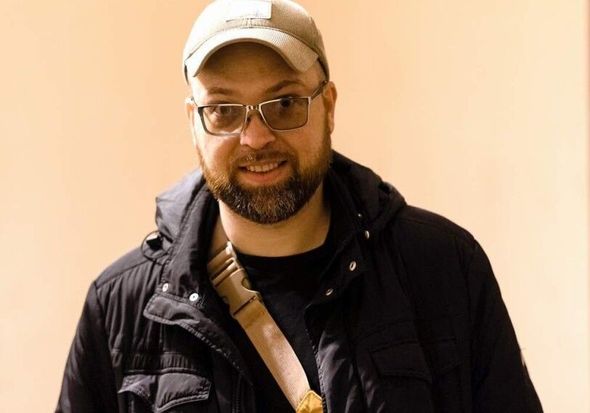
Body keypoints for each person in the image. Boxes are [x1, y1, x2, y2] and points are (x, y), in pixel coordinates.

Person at [56, 0, 543, 412]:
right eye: (223, 110)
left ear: (328, 106)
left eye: (285, 103)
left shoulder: (443, 269)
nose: (255, 137)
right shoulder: (120, 307)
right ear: (194, 123)